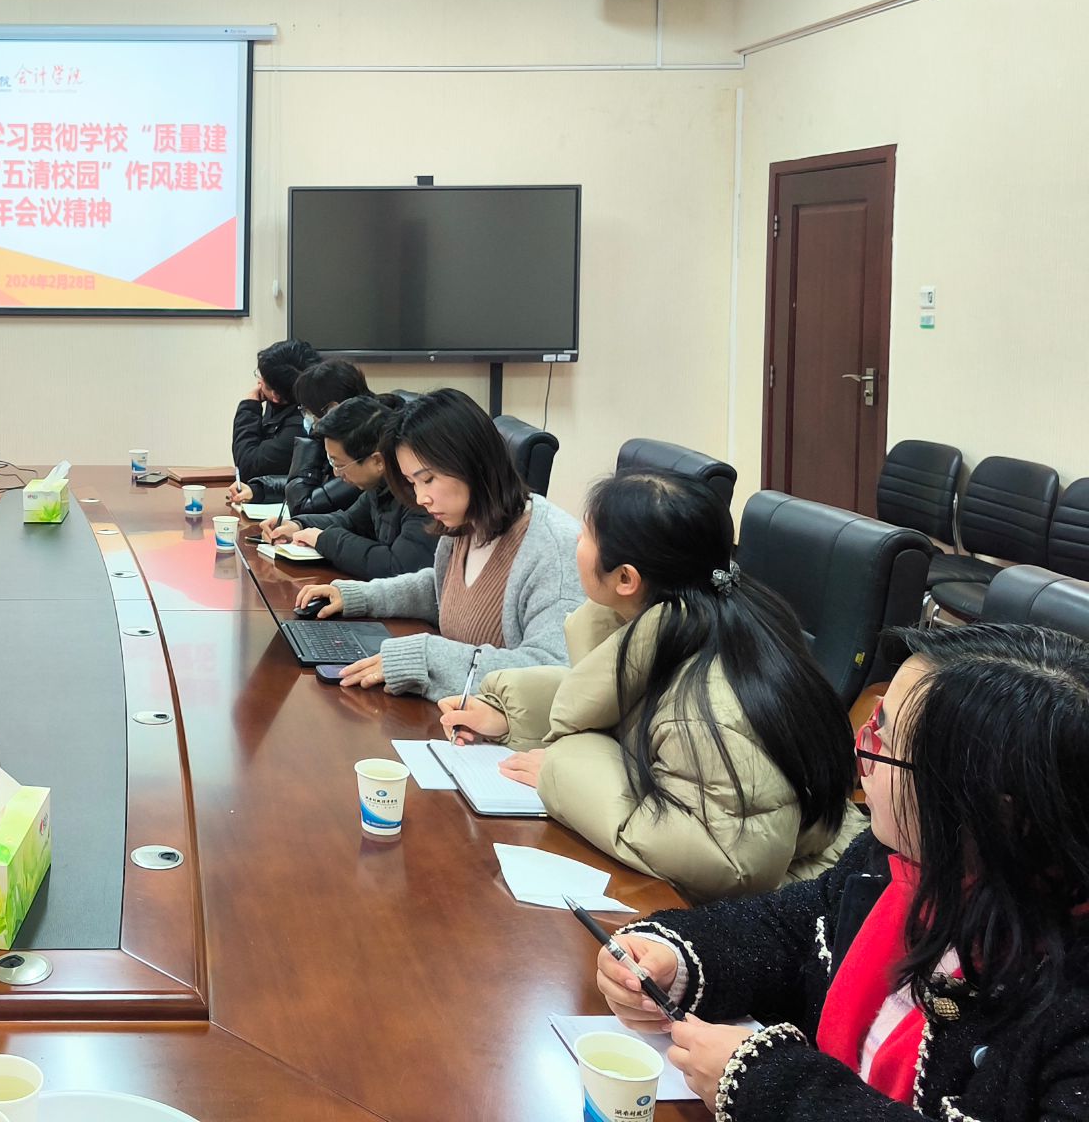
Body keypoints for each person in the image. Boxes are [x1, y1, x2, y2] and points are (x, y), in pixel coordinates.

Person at [593, 623, 1089, 1121]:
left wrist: (769, 1084)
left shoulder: (1069, 1001)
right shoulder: (900, 859)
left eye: (885, 741)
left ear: (989, 810)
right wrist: (676, 959)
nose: (860, 749)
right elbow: (796, 927)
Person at [439, 469, 861, 902]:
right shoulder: (676, 619)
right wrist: (510, 715)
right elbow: (633, 708)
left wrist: (560, 771)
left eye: (585, 535)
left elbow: (725, 859)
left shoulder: (711, 704)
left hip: (809, 903)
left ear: (626, 579)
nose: (574, 544)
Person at [296, 388, 581, 700]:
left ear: (472, 461)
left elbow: (555, 673)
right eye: (413, 483)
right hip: (459, 718)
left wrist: (428, 656)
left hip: (514, 742)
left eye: (428, 479)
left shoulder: (552, 548)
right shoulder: (464, 523)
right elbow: (441, 588)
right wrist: (359, 596)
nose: (421, 498)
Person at [262, 394, 437, 580]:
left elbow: (398, 566)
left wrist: (324, 540)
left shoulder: (419, 496)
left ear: (377, 461)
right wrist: (298, 525)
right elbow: (349, 521)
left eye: (339, 464)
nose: (336, 473)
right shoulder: (381, 485)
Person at [228, 358, 370, 514]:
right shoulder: (346, 431)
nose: (305, 416)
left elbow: (303, 504)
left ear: (332, 409)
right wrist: (259, 490)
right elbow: (315, 482)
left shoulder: (363, 449)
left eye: (307, 410)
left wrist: (312, 439)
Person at [231, 338, 320, 480]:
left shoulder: (300, 427)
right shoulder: (287, 400)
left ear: (276, 395)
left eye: (261, 379)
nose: (258, 382)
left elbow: (248, 466)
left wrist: (249, 407)